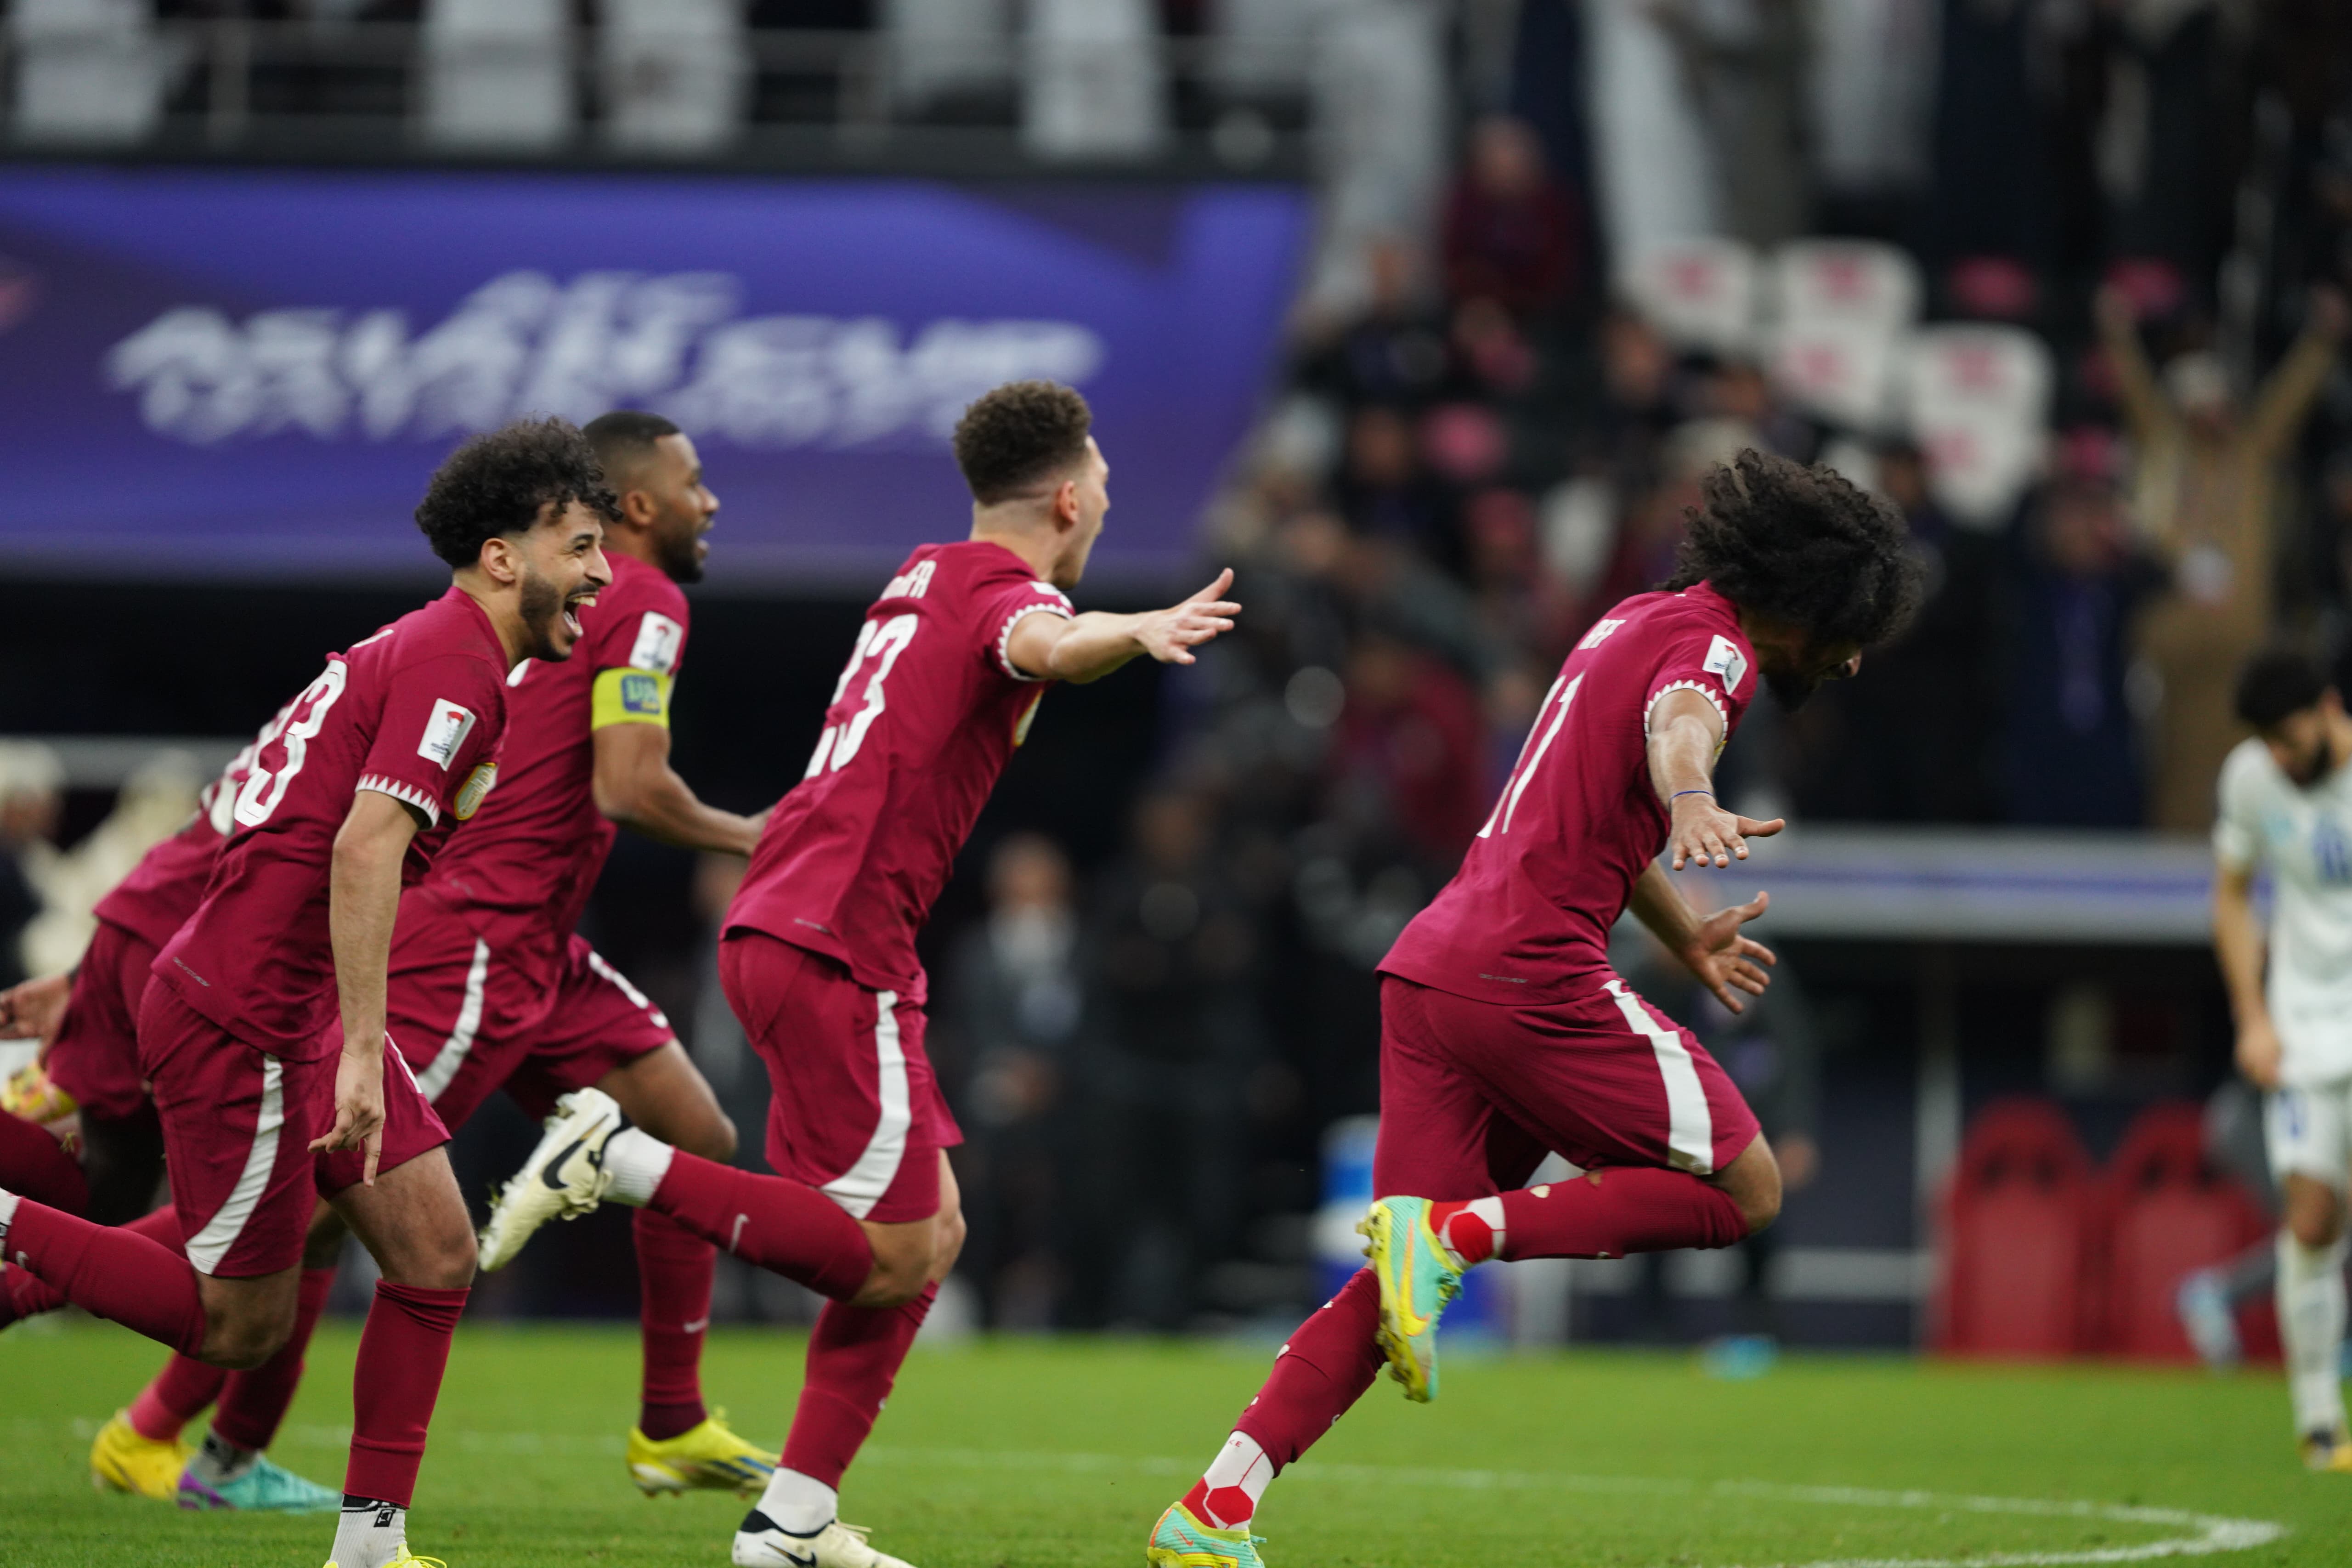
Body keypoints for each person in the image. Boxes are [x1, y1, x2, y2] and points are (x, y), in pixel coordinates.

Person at [470, 379, 1242, 1568]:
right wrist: (1129, 632)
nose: (1102, 508)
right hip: (837, 937)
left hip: (806, 923)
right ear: (1067, 499)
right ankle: (613, 1158)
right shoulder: (1010, 592)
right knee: (887, 1250)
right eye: (1100, 490)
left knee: (931, 1233)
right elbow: (1042, 643)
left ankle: (793, 1516)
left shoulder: (925, 569)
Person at [1144, 447, 1917, 1567]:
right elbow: (1682, 724)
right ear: (1808, 604)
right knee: (1747, 1188)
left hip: (1434, 974)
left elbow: (1592, 802)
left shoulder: (1629, 618)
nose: (1849, 661)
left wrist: (1680, 930)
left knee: (1395, 1288)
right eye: (1851, 633)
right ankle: (1458, 1231)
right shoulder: (1717, 648)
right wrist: (1694, 796)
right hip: (1528, 979)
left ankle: (1213, 1506)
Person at [1, 411, 774, 1510]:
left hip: (513, 948)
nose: (605, 568)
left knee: (654, 1148)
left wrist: (100, 963)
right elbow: (616, 785)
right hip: (448, 952)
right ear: (522, 549)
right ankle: (176, 1430)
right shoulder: (598, 618)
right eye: (585, 543)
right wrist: (760, 836)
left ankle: (658, 1421)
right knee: (311, 1231)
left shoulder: (432, 652)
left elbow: (248, 814)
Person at [2098, 284, 2345, 832]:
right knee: (2174, 770)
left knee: (2246, 770)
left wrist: (2320, 340)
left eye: (2218, 401)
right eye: (2200, 402)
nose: (2213, 412)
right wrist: (2116, 336)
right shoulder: (2162, 456)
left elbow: (2286, 403)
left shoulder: (2250, 461)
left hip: (2242, 645)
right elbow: (2136, 395)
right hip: (2173, 647)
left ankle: (2244, 864)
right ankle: (2170, 866)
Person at [2211, 646, 2352, 1471]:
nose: (2281, 757)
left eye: (2290, 738)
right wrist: (2254, 1016)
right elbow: (2231, 894)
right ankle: (2319, 1422)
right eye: (2267, 741)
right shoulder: (2251, 779)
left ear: (2330, 708)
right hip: (2305, 1031)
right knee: (2312, 1218)